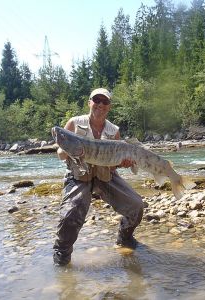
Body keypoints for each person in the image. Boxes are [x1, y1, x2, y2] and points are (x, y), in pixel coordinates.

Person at [53, 88, 144, 266]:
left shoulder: (114, 130)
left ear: (109, 107)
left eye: (105, 102)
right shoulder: (73, 122)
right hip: (79, 175)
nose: (100, 105)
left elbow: (114, 163)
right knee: (70, 213)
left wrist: (123, 163)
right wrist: (67, 150)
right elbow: (59, 152)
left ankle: (124, 237)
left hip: (105, 175)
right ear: (89, 102)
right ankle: (62, 254)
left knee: (137, 205)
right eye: (97, 100)